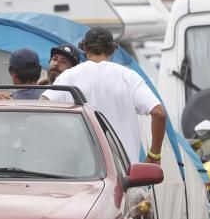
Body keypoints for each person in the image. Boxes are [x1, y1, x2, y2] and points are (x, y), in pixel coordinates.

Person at [43, 27, 166, 164]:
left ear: (84, 48)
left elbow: (42, 107)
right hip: (126, 175)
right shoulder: (129, 76)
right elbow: (159, 113)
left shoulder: (69, 76)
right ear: (113, 48)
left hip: (83, 173)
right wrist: (154, 155)